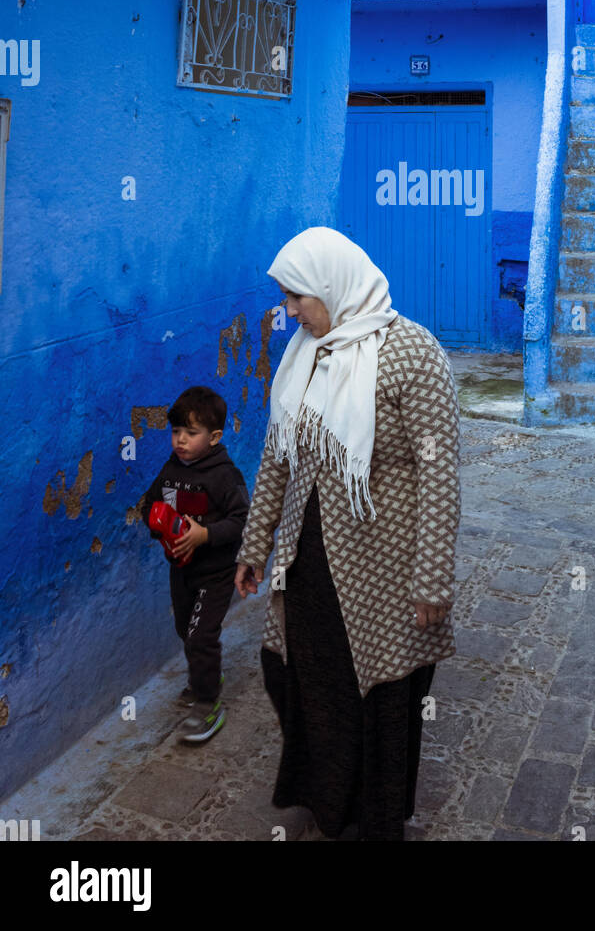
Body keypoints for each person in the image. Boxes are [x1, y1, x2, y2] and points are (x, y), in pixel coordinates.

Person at [235, 226, 461, 842]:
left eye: (296, 298)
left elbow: (439, 474)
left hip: (385, 573)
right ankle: (327, 798)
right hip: (309, 563)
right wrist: (257, 545)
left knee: (382, 697)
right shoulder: (306, 355)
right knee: (300, 678)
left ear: (331, 287)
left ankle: (376, 817)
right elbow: (277, 456)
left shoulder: (412, 354)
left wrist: (432, 578)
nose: (289, 312)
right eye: (286, 299)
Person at [142, 385, 250, 743]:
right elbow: (150, 503)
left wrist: (204, 535)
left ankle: (208, 704)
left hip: (216, 573)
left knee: (202, 636)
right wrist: (158, 524)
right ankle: (208, 674)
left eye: (191, 433)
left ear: (215, 437)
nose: (181, 440)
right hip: (182, 570)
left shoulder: (223, 475)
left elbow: (241, 519)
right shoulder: (171, 469)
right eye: (176, 432)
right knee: (185, 631)